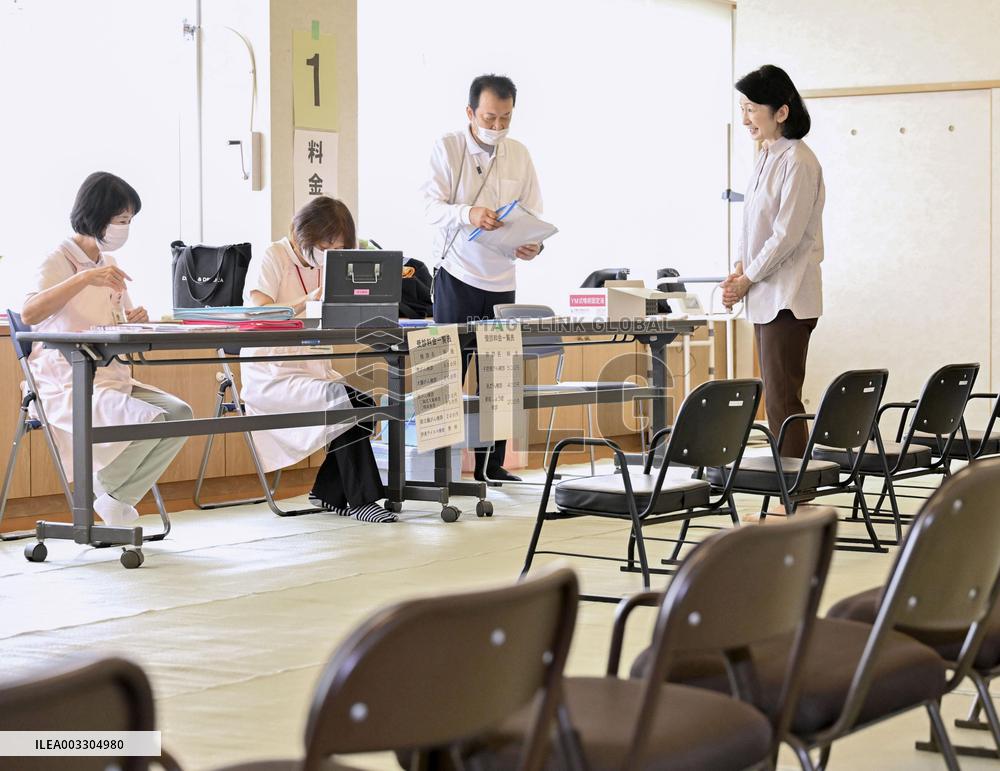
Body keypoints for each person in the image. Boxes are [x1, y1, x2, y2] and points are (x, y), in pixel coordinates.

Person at [21, 171, 193, 526]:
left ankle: (114, 495)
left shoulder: (109, 264)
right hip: (67, 380)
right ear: (97, 216)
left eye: (129, 221)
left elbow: (116, 320)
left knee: (180, 414)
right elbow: (30, 313)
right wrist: (84, 277)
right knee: (153, 419)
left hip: (110, 375)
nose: (124, 228)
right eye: (120, 220)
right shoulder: (57, 259)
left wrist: (134, 317)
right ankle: (112, 495)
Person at [241, 196, 395, 524]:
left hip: (312, 366)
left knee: (365, 401)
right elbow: (259, 311)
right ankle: (361, 499)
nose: (330, 252)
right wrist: (308, 299)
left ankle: (329, 492)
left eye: (338, 246)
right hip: (273, 374)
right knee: (349, 400)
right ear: (303, 235)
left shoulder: (327, 266)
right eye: (326, 243)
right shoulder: (274, 256)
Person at [422, 73, 543, 483]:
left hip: (501, 278)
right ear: (470, 112)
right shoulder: (448, 147)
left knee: (499, 381)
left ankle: (491, 465)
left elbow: (533, 215)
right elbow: (428, 207)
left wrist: (532, 245)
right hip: (456, 274)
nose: (497, 127)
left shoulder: (519, 155)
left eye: (505, 119)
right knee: (446, 376)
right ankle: (438, 470)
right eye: (490, 117)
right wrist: (467, 213)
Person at [722, 64, 824, 462]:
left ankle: (795, 498)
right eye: (743, 108)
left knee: (784, 402)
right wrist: (738, 271)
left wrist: (747, 278)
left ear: (781, 112)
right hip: (767, 295)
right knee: (778, 399)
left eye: (752, 109)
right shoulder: (766, 156)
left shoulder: (798, 159)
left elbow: (786, 235)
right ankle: (791, 495)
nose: (745, 118)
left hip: (788, 298)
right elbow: (752, 226)